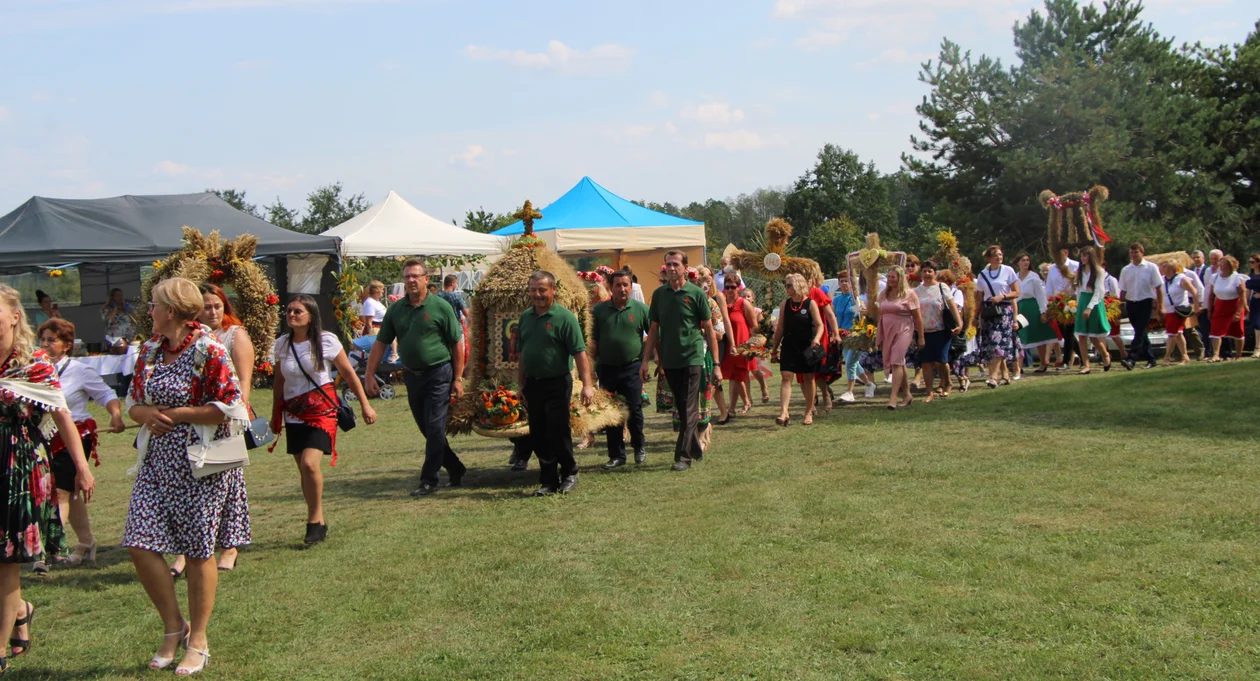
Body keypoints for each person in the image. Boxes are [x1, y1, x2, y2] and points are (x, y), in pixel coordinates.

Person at [122, 278, 247, 675]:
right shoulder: (149, 350)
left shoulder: (209, 350)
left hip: (200, 464)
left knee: (197, 552)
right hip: (157, 463)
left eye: (155, 305)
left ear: (171, 311)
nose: (150, 312)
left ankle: (199, 640)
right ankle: (173, 626)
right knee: (138, 543)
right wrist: (145, 415)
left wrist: (176, 415)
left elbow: (231, 405)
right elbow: (133, 403)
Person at [0, 286, 94, 674]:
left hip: (19, 466)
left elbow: (61, 416)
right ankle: (20, 610)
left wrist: (82, 467)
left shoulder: (34, 364)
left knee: (6, 559)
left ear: (14, 316)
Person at [169, 284, 257, 577]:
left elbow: (244, 383)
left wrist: (236, 414)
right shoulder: (184, 339)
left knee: (224, 484)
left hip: (224, 420)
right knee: (187, 485)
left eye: (218, 306)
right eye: (207, 307)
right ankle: (185, 550)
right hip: (189, 422)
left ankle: (229, 547)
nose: (214, 312)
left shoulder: (234, 335)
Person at [273, 295, 376, 543]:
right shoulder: (282, 344)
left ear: (311, 316)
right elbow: (279, 381)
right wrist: (276, 414)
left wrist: (365, 405)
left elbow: (349, 374)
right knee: (304, 470)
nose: (292, 315)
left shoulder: (326, 340)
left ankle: (314, 520)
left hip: (321, 410)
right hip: (294, 412)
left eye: (298, 311)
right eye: (289, 311)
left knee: (310, 464)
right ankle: (317, 519)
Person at [364, 260, 460, 496]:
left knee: (435, 427)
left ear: (427, 279)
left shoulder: (440, 306)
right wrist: (368, 375)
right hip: (412, 376)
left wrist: (457, 378)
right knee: (427, 428)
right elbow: (380, 343)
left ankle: (429, 480)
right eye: (407, 277)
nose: (410, 281)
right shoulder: (396, 310)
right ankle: (456, 468)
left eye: (415, 276)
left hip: (439, 373)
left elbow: (457, 343)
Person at [35, 319, 123, 572]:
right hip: (45, 438)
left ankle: (47, 551)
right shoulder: (36, 371)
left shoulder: (79, 370)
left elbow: (106, 394)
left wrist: (115, 415)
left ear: (66, 345)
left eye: (52, 340)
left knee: (59, 491)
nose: (45, 345)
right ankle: (86, 542)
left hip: (76, 435)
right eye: (43, 340)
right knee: (71, 495)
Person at [641, 251, 722, 472]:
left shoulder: (696, 294)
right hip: (670, 360)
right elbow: (654, 329)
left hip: (693, 357)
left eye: (676, 264)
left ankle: (683, 456)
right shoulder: (659, 295)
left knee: (688, 406)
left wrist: (716, 364)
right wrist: (646, 361)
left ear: (685, 268)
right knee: (683, 407)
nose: (671, 268)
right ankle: (695, 448)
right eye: (668, 264)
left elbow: (709, 329)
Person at [517, 271, 595, 495]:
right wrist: (520, 385)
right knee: (538, 433)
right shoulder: (525, 317)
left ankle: (569, 471)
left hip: (557, 383)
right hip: (533, 384)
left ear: (553, 290)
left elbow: (580, 353)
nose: (537, 294)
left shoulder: (564, 318)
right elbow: (522, 354)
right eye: (533, 289)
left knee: (558, 431)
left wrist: (587, 385)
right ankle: (548, 480)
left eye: (542, 289)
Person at [590, 270, 650, 469]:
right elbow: (594, 340)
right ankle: (616, 455)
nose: (622, 289)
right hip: (607, 368)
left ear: (631, 287)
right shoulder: (599, 311)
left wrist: (650, 362)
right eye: (618, 285)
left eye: (626, 285)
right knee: (611, 412)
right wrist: (591, 368)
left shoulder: (641, 309)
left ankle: (639, 447)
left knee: (634, 409)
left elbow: (654, 335)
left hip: (632, 367)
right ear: (610, 287)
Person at [769, 274, 824, 424]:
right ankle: (784, 412)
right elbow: (780, 328)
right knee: (786, 376)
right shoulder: (785, 304)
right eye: (786, 285)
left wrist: (817, 339)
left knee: (808, 378)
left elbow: (820, 325)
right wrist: (774, 349)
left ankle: (808, 411)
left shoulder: (810, 303)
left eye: (789, 285)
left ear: (798, 285)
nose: (786, 288)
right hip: (789, 345)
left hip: (808, 345)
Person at [875, 266, 925, 409]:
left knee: (896, 361)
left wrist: (921, 336)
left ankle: (893, 398)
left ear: (900, 278)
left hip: (904, 328)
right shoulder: (884, 294)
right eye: (889, 276)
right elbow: (880, 313)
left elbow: (917, 317)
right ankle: (907, 394)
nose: (890, 279)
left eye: (893, 277)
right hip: (887, 329)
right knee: (900, 362)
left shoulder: (909, 294)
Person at [913, 262, 962, 403]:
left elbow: (952, 307)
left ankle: (947, 382)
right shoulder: (917, 291)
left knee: (941, 361)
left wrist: (959, 324)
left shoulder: (942, 287)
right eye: (924, 271)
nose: (927, 274)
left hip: (941, 330)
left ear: (935, 273)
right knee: (926, 363)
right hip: (923, 331)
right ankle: (930, 392)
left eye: (930, 271)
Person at [976, 246, 1021, 387]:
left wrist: (1002, 296)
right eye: (995, 255)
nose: (999, 257)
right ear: (989, 258)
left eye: (1001, 255)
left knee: (997, 344)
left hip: (1003, 312)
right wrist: (975, 317)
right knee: (991, 345)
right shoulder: (982, 275)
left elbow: (1016, 292)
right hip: (988, 312)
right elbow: (979, 298)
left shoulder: (1008, 271)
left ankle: (993, 377)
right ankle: (1005, 375)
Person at [696, 267, 730, 431]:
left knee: (711, 382)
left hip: (711, 347)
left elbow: (720, 333)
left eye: (707, 278)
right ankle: (721, 412)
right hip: (694, 350)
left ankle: (707, 414)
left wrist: (700, 331)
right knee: (711, 384)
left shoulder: (713, 301)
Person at [1119, 243, 1162, 370]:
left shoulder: (1151, 267)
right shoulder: (1126, 270)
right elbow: (1123, 290)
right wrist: (1121, 306)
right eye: (1131, 253)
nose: (1133, 255)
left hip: (1146, 302)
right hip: (1132, 303)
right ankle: (1151, 358)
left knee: (1140, 330)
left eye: (1136, 252)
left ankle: (1132, 358)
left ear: (1142, 252)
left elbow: (1158, 287)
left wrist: (1160, 305)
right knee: (1141, 331)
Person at [832, 271, 872, 402]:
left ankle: (850, 392)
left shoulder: (856, 299)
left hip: (854, 335)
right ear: (838, 283)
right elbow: (833, 316)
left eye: (847, 281)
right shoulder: (836, 300)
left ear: (852, 283)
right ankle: (869, 384)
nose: (844, 284)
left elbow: (863, 316)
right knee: (854, 363)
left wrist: (862, 311)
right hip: (842, 335)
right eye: (842, 281)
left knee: (850, 363)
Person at [720, 273, 756, 418]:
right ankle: (745, 402)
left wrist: (752, 346)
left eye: (733, 287)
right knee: (733, 377)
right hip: (726, 345)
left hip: (742, 345)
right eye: (727, 287)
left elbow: (754, 326)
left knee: (737, 376)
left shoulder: (743, 303)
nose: (729, 290)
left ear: (738, 288)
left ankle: (732, 409)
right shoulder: (721, 304)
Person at [1073, 247, 1112, 373]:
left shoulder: (1099, 271)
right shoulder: (1080, 271)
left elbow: (1099, 291)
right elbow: (1078, 290)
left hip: (1094, 303)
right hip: (1083, 301)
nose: (1083, 258)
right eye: (1082, 256)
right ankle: (1086, 365)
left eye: (1085, 256)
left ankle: (1105, 354)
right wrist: (1079, 306)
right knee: (1082, 336)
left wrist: (1089, 307)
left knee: (1094, 337)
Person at [1014, 254, 1054, 373]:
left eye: (1027, 260)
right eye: (1023, 260)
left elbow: (1040, 295)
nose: (1026, 262)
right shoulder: (1015, 277)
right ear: (1018, 263)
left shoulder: (1034, 277)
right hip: (1020, 307)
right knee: (1020, 337)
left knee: (1038, 336)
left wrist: (1043, 311)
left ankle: (1043, 363)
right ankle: (1019, 366)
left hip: (1033, 307)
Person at [1157, 260, 1201, 367]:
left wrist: (1196, 306)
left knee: (1171, 334)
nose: (1163, 268)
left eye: (1166, 266)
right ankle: (1185, 356)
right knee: (1178, 334)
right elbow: (1159, 296)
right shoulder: (1162, 280)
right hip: (1169, 311)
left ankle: (1167, 358)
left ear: (1173, 268)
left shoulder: (1181, 279)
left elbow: (1194, 292)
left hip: (1179, 311)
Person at [1207, 255, 1249, 362]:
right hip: (1220, 306)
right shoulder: (1215, 277)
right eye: (1220, 263)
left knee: (1237, 331)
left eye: (1223, 263)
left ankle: (1238, 355)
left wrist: (1239, 312)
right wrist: (1209, 309)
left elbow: (1242, 296)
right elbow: (1211, 295)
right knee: (1215, 330)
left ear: (1230, 265)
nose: (1220, 265)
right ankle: (1216, 355)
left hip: (1234, 305)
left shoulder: (1237, 278)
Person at [1045, 249, 1080, 368]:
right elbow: (1049, 287)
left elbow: (1079, 284)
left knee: (1069, 331)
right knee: (1064, 332)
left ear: (1066, 253)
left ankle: (1066, 361)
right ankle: (1082, 354)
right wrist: (1049, 303)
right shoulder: (1053, 268)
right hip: (1058, 302)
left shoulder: (1075, 265)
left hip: (1071, 301)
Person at [740, 287, 771, 403]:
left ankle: (763, 386)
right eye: (743, 296)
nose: (746, 298)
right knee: (744, 371)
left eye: (748, 296)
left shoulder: (757, 311)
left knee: (756, 369)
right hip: (743, 342)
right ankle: (748, 398)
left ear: (753, 299)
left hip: (755, 343)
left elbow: (762, 327)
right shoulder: (739, 312)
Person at [1248, 254, 1260, 358]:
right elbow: (1248, 290)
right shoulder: (1251, 275)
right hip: (1255, 303)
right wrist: (1245, 304)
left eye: (1252, 262)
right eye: (1250, 262)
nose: (1250, 264)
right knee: (1255, 324)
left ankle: (1257, 349)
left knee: (1258, 324)